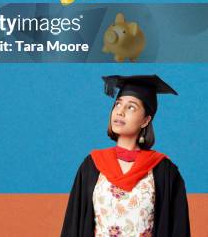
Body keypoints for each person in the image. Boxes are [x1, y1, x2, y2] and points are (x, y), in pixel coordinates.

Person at [60, 75, 191, 236]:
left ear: (145, 120)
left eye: (131, 107)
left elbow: (177, 229)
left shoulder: (164, 170)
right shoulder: (92, 165)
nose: (120, 112)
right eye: (118, 104)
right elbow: (74, 225)